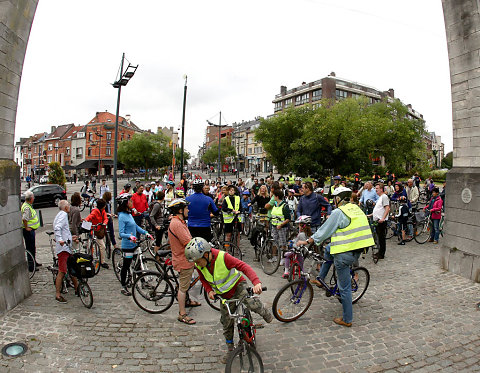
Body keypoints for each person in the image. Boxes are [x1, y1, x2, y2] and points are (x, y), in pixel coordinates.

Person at [185, 237, 273, 363]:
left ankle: (264, 312)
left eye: (198, 261)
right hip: (224, 295)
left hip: (237, 286)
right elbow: (203, 279)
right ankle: (230, 349)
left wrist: (256, 282)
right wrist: (209, 290)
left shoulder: (223, 257)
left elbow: (243, 266)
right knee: (226, 322)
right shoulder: (199, 264)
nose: (197, 265)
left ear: (205, 254)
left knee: (251, 304)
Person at [298, 187, 374, 327]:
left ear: (338, 199)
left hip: (343, 254)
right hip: (357, 250)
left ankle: (347, 319)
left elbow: (324, 231)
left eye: (334, 198)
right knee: (328, 249)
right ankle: (321, 278)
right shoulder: (356, 208)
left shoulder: (339, 212)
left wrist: (308, 241)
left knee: (344, 288)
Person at [167, 198, 200, 325]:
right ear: (180, 210)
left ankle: (187, 301)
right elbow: (187, 242)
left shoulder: (179, 222)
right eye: (186, 208)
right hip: (183, 259)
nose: (188, 210)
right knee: (183, 287)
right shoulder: (177, 224)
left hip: (185, 258)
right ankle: (182, 314)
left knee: (185, 284)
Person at [117, 193, 152, 296]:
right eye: (130, 201)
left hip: (135, 243)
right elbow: (121, 233)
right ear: (125, 203)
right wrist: (129, 236)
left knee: (138, 264)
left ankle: (142, 282)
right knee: (126, 266)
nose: (132, 202)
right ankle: (123, 286)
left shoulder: (129, 214)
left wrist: (145, 233)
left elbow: (136, 227)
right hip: (128, 245)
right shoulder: (122, 216)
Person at [53, 200, 79, 303]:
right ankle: (58, 294)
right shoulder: (63, 215)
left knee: (71, 268)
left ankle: (77, 288)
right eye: (68, 205)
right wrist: (60, 239)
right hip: (63, 248)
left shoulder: (60, 214)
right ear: (65, 207)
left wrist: (70, 237)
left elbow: (63, 230)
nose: (69, 207)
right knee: (62, 271)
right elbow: (57, 228)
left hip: (66, 246)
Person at [85, 198, 109, 269]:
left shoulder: (103, 211)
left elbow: (105, 218)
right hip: (95, 231)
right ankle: (102, 261)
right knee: (102, 246)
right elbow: (90, 217)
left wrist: (104, 223)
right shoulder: (95, 211)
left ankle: (101, 260)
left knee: (101, 246)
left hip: (100, 231)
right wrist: (86, 221)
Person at [269, 189, 291, 265]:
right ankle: (274, 256)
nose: (273, 197)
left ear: (277, 196)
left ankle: (283, 258)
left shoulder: (284, 206)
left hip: (282, 227)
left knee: (283, 243)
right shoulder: (275, 204)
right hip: (274, 226)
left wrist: (281, 224)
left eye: (274, 196)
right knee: (274, 241)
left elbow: (288, 219)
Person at [370, 182, 390, 260]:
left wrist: (383, 218)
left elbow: (387, 208)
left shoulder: (384, 197)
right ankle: (379, 252)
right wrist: (372, 214)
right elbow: (379, 209)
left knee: (381, 238)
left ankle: (381, 254)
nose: (376, 190)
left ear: (381, 189)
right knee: (379, 237)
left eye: (377, 188)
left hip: (381, 221)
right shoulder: (380, 197)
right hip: (378, 220)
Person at [21, 190, 41, 272]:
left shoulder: (28, 205)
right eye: (33, 197)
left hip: (31, 230)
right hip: (28, 231)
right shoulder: (27, 207)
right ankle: (31, 266)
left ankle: (33, 262)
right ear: (31, 198)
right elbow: (24, 219)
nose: (34, 199)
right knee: (30, 247)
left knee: (32, 247)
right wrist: (26, 228)